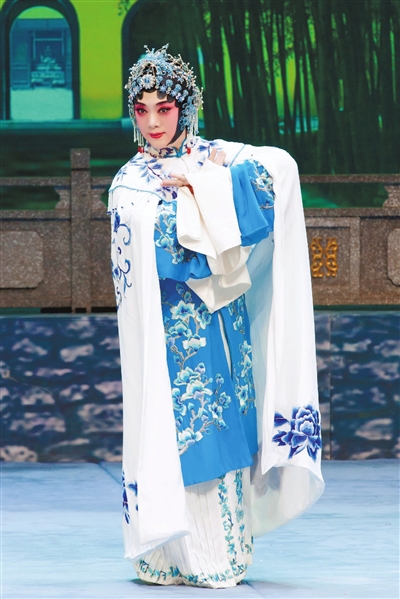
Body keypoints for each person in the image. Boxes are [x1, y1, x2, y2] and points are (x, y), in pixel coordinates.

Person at [108, 45, 324, 589]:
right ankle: (166, 555)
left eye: (164, 109)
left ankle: (216, 554)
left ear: (185, 108)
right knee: (181, 435)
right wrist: (204, 197)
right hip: (168, 336)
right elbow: (164, 246)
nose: (153, 123)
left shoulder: (215, 156)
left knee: (222, 433)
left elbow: (279, 172)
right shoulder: (130, 182)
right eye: (142, 110)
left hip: (221, 330)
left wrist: (207, 181)